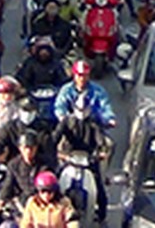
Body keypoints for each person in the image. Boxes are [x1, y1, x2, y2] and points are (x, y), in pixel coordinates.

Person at [52, 95, 110, 224]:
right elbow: (55, 137)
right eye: (79, 108)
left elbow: (101, 140)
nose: (82, 111)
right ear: (73, 108)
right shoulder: (67, 121)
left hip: (88, 160)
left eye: (84, 108)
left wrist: (101, 152)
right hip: (68, 158)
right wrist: (53, 150)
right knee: (53, 180)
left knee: (99, 187)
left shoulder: (94, 123)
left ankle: (102, 215)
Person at [52, 61, 115, 127]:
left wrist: (109, 119)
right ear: (74, 75)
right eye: (79, 75)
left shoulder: (98, 90)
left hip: (92, 124)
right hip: (71, 125)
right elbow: (60, 105)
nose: (82, 79)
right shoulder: (66, 90)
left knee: (102, 137)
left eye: (85, 75)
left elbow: (105, 106)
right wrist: (62, 116)